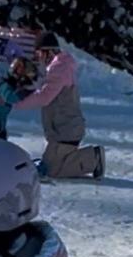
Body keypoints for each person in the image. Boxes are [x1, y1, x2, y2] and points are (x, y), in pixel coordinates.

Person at [12, 31, 105, 180]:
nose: (38, 58)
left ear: (47, 51)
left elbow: (45, 97)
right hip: (62, 129)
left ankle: (93, 158)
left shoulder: (59, 68)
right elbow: (44, 88)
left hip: (66, 130)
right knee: (47, 165)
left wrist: (16, 103)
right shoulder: (58, 66)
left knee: (52, 171)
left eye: (39, 54)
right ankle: (80, 157)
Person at [0, 56, 37, 139]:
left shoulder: (9, 82)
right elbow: (9, 97)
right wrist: (24, 93)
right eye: (23, 75)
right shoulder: (5, 83)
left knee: (1, 139)